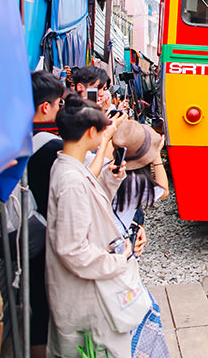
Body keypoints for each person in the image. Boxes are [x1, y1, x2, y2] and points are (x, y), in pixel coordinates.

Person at [45, 96, 139, 358]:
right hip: (84, 294)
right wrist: (119, 262)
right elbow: (72, 249)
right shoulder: (71, 180)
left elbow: (90, 209)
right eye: (102, 132)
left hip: (86, 289)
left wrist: (109, 179)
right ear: (90, 132)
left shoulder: (67, 168)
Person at [110, 121, 170, 358]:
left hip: (108, 251)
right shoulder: (137, 185)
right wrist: (156, 157)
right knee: (143, 312)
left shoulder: (106, 173)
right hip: (119, 257)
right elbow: (164, 189)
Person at [25, 71, 66, 358]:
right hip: (47, 237)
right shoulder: (53, 149)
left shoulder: (17, 139)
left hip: (23, 231)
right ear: (45, 108)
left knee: (34, 303)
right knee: (45, 306)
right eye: (58, 104)